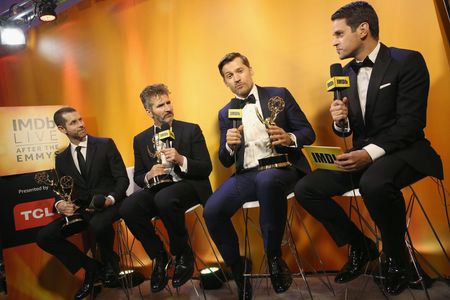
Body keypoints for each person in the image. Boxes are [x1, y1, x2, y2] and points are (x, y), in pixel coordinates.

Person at [294, 1, 443, 296]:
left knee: (374, 182)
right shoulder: (345, 74)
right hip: (362, 154)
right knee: (306, 188)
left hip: (405, 151)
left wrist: (370, 153)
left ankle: (397, 259)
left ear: (363, 29)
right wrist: (341, 124)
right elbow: (351, 130)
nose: (333, 41)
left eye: (338, 34)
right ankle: (361, 246)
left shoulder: (407, 61)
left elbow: (411, 124)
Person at [203, 52, 315, 299]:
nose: (236, 78)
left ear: (250, 70)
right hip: (247, 175)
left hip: (282, 167)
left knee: (267, 180)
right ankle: (238, 266)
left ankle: (274, 258)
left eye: (240, 71)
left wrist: (289, 137)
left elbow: (308, 132)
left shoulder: (279, 95)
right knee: (211, 210)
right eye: (229, 76)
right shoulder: (225, 113)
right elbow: (224, 159)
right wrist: (230, 146)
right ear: (225, 82)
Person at [119, 84, 213, 293]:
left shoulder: (191, 129)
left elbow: (206, 167)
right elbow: (139, 177)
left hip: (188, 186)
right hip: (158, 189)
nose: (167, 108)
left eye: (168, 102)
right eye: (160, 105)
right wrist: (149, 174)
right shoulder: (140, 139)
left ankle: (182, 253)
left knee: (164, 198)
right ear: (149, 111)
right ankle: (159, 256)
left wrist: (181, 159)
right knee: (127, 208)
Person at [36, 107, 129, 300]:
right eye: (73, 122)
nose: (81, 124)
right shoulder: (61, 158)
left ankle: (111, 262)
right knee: (44, 236)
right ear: (62, 129)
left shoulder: (105, 144)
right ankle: (91, 267)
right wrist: (60, 204)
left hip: (111, 204)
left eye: (80, 119)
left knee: (97, 223)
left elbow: (122, 180)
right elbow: (63, 190)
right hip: (83, 209)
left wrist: (110, 199)